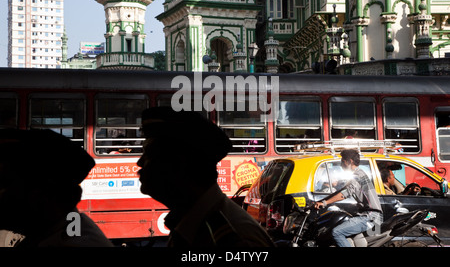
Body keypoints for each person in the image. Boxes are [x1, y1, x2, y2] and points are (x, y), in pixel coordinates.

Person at [137, 107, 274, 247]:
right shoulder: (193, 224)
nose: (140, 162)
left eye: (149, 155)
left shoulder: (232, 240)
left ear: (179, 164)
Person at [0, 129, 113, 247]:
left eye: (5, 184)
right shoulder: (52, 233)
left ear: (43, 195)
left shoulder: (75, 243)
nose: (1, 194)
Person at [314, 149, 383, 247]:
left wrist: (325, 203)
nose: (341, 164)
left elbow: (344, 194)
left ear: (349, 161)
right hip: (367, 215)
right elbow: (341, 191)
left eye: (342, 161)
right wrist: (321, 201)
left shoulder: (357, 176)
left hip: (369, 216)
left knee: (337, 232)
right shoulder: (358, 173)